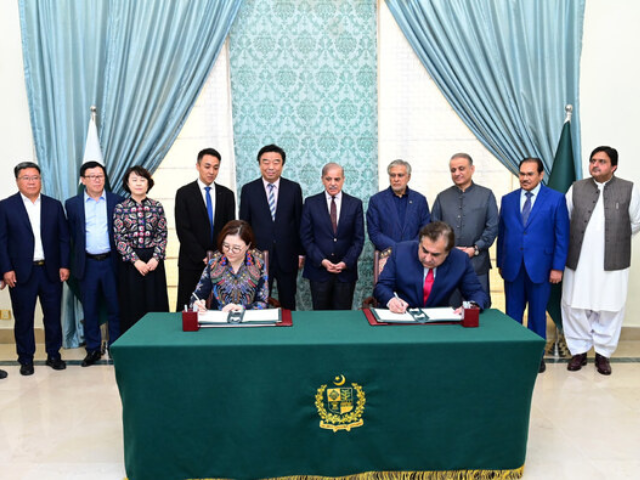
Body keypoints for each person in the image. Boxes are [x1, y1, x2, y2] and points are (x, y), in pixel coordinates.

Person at [562, 146, 640, 375]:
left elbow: (635, 222)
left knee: (610, 307)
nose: (595, 165)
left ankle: (603, 354)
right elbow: (565, 218)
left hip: (613, 261)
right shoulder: (576, 188)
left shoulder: (629, 189)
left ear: (614, 166)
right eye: (593, 161)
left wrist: (613, 238)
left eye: (602, 161)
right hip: (579, 259)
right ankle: (578, 351)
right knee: (575, 305)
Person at [497, 158, 570, 373]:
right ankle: (513, 352)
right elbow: (503, 234)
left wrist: (557, 267)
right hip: (512, 266)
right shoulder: (508, 199)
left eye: (530, 174)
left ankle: (536, 357)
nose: (525, 178)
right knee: (512, 314)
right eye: (521, 174)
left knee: (537, 315)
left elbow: (562, 236)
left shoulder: (556, 200)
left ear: (540, 175)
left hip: (542, 267)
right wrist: (502, 261)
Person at [0, 162, 70, 376]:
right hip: (20, 273)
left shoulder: (54, 205)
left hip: (50, 271)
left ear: (41, 179)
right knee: (24, 318)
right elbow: (1, 240)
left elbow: (64, 238)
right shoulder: (5, 206)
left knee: (52, 316)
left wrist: (64, 264)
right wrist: (6, 269)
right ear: (18, 181)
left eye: (35, 177)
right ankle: (26, 358)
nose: (31, 181)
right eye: (26, 177)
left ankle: (53, 355)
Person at [65, 161, 124, 367]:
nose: (97, 180)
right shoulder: (72, 204)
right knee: (89, 309)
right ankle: (92, 349)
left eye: (100, 176)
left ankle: (115, 347)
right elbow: (69, 238)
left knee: (115, 307)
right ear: (83, 180)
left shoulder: (118, 201)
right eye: (92, 176)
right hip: (87, 264)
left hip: (111, 263)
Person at [240, 144, 303, 310]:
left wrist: (301, 253)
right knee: (257, 300)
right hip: (258, 257)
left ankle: (290, 333)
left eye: (276, 162)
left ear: (282, 165)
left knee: (288, 301)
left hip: (287, 256)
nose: (271, 167)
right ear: (259, 164)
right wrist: (246, 254)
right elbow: (244, 225)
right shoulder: (248, 190)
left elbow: (299, 223)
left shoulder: (293, 189)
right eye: (266, 162)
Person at [374, 222, 489, 311]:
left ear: (448, 252)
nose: (428, 258)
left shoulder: (460, 260)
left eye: (435, 254)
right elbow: (382, 287)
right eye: (424, 250)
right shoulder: (400, 251)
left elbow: (477, 293)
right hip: (403, 317)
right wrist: (391, 300)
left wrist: (471, 306)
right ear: (419, 244)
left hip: (439, 324)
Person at [431, 153, 498, 305]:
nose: (457, 173)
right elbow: (434, 228)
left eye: (461, 169)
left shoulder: (486, 195)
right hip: (448, 263)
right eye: (453, 170)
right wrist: (449, 250)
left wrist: (474, 248)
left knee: (478, 310)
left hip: (477, 263)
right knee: (448, 311)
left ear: (472, 169)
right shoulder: (442, 197)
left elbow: (492, 227)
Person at [175, 148, 235, 311]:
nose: (211, 171)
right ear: (198, 166)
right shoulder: (184, 193)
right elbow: (183, 229)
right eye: (207, 166)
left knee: (220, 305)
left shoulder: (227, 194)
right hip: (191, 260)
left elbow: (230, 229)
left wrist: (217, 255)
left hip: (220, 260)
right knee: (188, 306)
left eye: (216, 167)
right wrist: (202, 256)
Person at [300, 163, 364, 310]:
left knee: (343, 318)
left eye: (337, 179)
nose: (333, 183)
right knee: (321, 318)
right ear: (322, 179)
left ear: (343, 179)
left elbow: (358, 239)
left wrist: (345, 262)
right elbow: (306, 237)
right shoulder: (311, 203)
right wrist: (322, 261)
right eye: (329, 179)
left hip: (345, 273)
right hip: (319, 271)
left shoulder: (355, 204)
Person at [113, 166, 169, 332]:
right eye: (134, 180)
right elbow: (119, 238)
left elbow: (162, 234)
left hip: (153, 261)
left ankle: (158, 338)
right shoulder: (120, 208)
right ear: (127, 184)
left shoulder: (156, 206)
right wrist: (136, 261)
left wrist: (156, 258)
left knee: (155, 303)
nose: (139, 183)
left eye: (142, 180)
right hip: (131, 263)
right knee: (132, 304)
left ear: (148, 183)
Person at [191, 220, 268, 312]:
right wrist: (197, 304)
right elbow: (196, 297)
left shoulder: (258, 265)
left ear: (248, 245)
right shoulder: (213, 265)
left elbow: (263, 303)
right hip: (219, 321)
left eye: (236, 248)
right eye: (226, 246)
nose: (230, 251)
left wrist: (242, 308)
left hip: (247, 320)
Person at [366, 159, 430, 251]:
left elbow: (425, 230)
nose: (396, 179)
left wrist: (410, 247)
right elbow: (374, 232)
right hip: (388, 255)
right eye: (392, 175)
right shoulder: (376, 200)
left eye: (400, 175)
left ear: (408, 177)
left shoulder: (420, 200)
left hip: (414, 254)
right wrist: (396, 248)